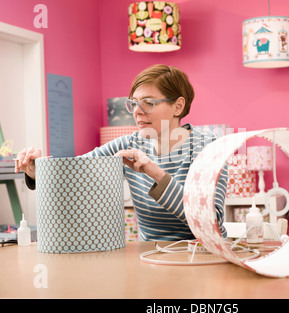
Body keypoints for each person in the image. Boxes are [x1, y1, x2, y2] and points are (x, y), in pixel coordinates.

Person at [15, 64, 228, 241]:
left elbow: (211, 221)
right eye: (134, 104)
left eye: (148, 103)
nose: (137, 111)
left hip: (204, 255)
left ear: (178, 106)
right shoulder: (127, 145)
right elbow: (72, 173)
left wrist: (156, 174)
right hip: (150, 259)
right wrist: (36, 170)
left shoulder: (209, 148)